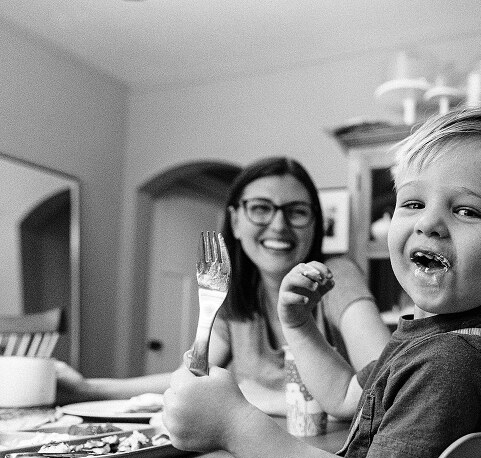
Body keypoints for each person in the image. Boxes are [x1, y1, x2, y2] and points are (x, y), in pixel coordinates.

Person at [162, 106, 481, 458]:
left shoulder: (449, 362)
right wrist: (300, 326)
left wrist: (236, 426)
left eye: (467, 210)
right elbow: (345, 396)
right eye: (413, 204)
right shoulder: (429, 342)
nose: (428, 223)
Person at [56, 157, 391, 414]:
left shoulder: (335, 276)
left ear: (314, 223)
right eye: (260, 209)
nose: (278, 225)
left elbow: (386, 382)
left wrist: (254, 398)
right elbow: (190, 376)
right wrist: (88, 388)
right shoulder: (234, 295)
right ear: (235, 220)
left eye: (297, 212)